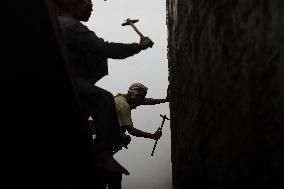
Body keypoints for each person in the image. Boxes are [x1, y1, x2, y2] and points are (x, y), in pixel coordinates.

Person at [53, 0, 154, 178]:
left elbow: (144, 102)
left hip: (76, 77)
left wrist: (164, 100)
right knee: (103, 98)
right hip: (71, 77)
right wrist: (138, 46)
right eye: (87, 3)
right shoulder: (72, 26)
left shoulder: (63, 22)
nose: (91, 8)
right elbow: (104, 48)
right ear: (73, 4)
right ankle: (104, 156)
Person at [99, 83, 169, 189]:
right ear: (132, 95)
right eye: (139, 97)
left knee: (112, 175)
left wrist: (164, 100)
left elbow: (145, 101)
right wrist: (152, 136)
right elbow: (131, 131)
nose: (140, 101)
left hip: (102, 146)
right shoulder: (123, 105)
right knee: (112, 176)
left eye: (141, 98)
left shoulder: (121, 99)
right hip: (100, 146)